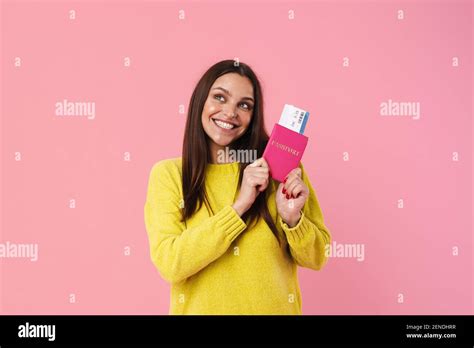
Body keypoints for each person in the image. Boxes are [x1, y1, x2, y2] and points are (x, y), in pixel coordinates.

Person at [144, 59, 331, 315]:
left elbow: (317, 256)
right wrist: (239, 206)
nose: (231, 112)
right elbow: (170, 263)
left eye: (244, 105)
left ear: (253, 116)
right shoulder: (169, 175)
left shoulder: (278, 168)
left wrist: (293, 220)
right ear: (201, 101)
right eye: (220, 98)